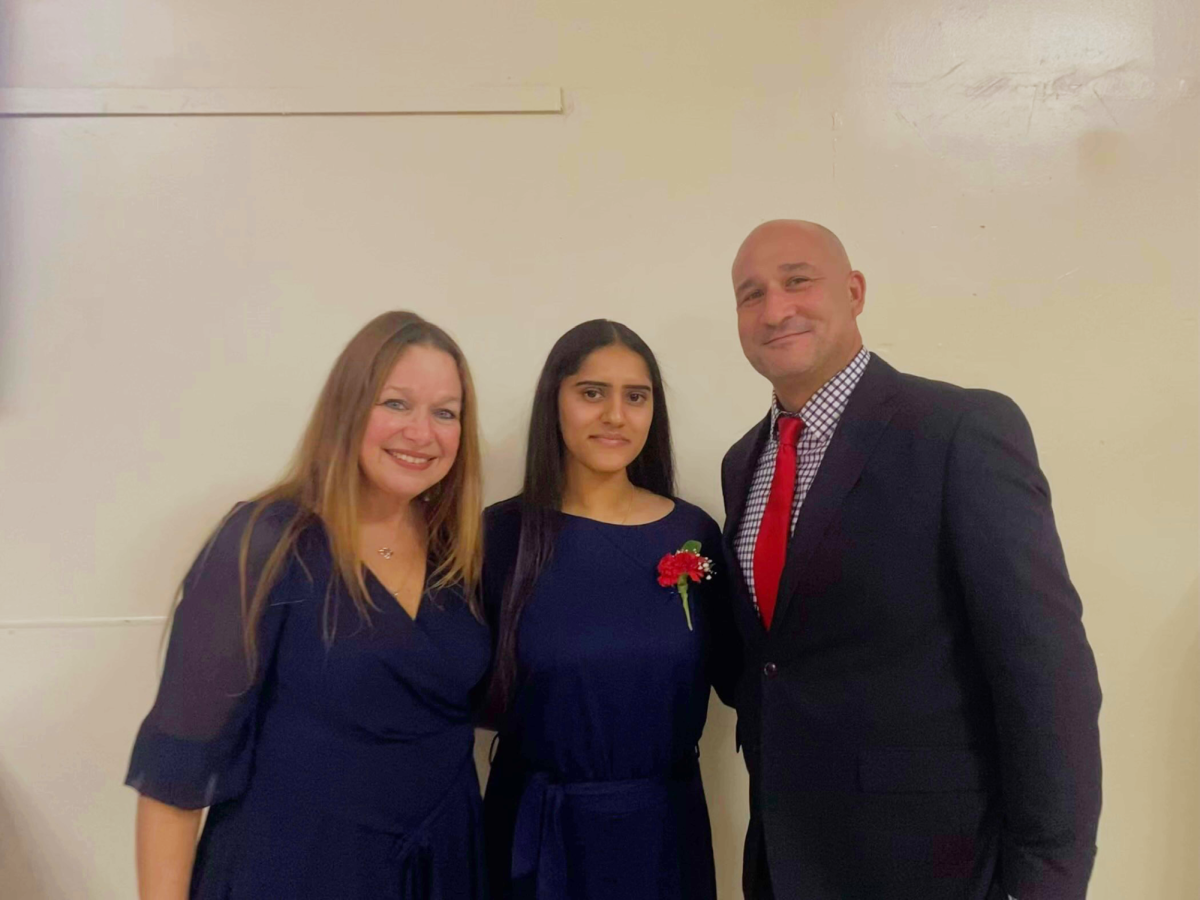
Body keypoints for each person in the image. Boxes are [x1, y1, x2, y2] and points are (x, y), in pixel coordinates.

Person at [722, 220, 1102, 900]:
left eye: (797, 281)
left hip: (934, 867)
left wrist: (1046, 879)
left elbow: (1047, 673)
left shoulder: (958, 431)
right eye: (752, 294)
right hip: (786, 862)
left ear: (855, 291)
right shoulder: (741, 464)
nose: (775, 309)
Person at [126, 311, 491, 900]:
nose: (422, 433)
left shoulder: (460, 552)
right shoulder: (260, 543)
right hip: (295, 868)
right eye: (395, 403)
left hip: (440, 867)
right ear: (346, 407)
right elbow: (177, 771)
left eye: (445, 412)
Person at [481, 319, 741, 900]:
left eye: (636, 396)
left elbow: (745, 677)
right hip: (537, 833)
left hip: (663, 837)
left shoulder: (692, 531)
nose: (615, 416)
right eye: (592, 392)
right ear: (556, 401)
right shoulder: (501, 536)